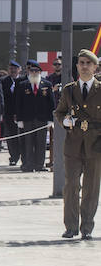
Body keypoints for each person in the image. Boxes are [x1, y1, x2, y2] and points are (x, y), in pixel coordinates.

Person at [55, 49, 100, 240]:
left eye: (88, 63)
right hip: (73, 145)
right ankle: (71, 226)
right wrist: (65, 121)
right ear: (77, 66)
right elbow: (60, 112)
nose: (84, 66)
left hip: (95, 145)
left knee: (91, 187)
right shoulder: (69, 90)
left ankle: (87, 226)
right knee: (71, 185)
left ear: (95, 67)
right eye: (81, 63)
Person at [14, 62, 55, 172]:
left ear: (40, 72)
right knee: (28, 143)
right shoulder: (23, 85)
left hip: (42, 119)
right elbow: (18, 103)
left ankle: (39, 165)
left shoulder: (46, 84)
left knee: (41, 143)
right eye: (32, 71)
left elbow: (51, 103)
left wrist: (51, 119)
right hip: (27, 119)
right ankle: (28, 164)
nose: (34, 73)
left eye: (36, 71)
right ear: (28, 72)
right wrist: (19, 119)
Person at [2, 61, 25, 166]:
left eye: (15, 68)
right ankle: (14, 157)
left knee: (23, 136)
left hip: (22, 113)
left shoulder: (23, 81)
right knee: (11, 136)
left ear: (19, 69)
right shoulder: (4, 81)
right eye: (11, 68)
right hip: (9, 113)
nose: (13, 70)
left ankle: (24, 156)